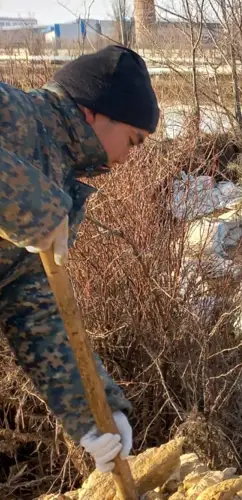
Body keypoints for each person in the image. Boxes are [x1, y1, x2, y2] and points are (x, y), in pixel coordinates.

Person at [0, 45, 159, 473]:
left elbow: (37, 313)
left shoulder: (61, 184)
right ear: (93, 113)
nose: (130, 157)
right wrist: (25, 202)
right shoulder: (13, 113)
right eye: (133, 139)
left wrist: (96, 413)